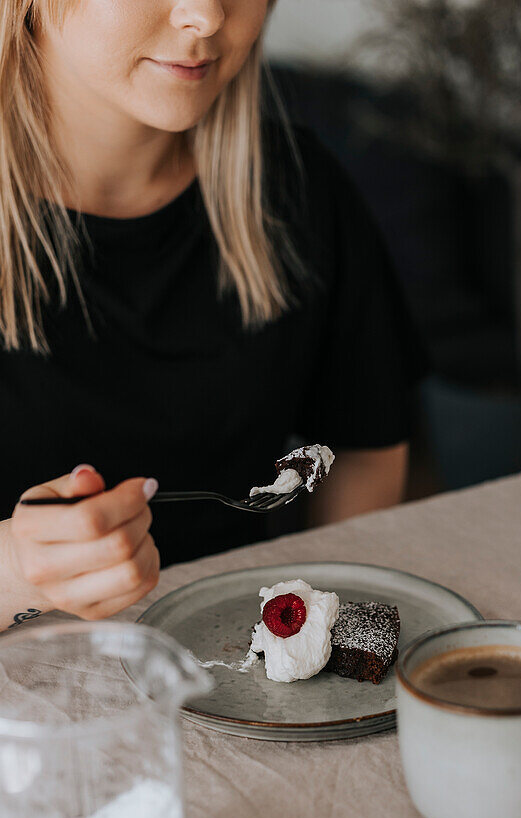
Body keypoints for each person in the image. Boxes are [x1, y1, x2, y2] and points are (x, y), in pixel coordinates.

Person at [0, 1, 419, 631]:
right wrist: (11, 574)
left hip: (234, 680)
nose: (206, 16)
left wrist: (316, 637)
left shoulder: (298, 191)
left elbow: (365, 447)